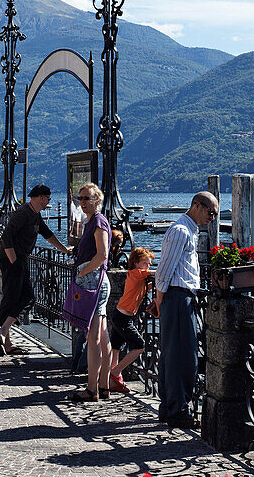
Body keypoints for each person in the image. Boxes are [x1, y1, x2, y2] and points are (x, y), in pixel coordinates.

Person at [154, 191, 219, 429]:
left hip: (179, 297)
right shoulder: (181, 231)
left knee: (174, 355)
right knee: (183, 356)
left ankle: (171, 407)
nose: (212, 218)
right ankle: (177, 409)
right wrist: (160, 300)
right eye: (211, 212)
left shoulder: (188, 230)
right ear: (197, 206)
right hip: (178, 297)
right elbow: (164, 270)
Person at [0, 184, 70, 356]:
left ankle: (4, 337)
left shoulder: (35, 215)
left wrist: (64, 250)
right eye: (48, 199)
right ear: (41, 197)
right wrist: (13, 260)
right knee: (22, 297)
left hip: (20, 260)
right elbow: (7, 236)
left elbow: (48, 234)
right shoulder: (23, 213)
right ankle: (3, 334)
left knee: (18, 297)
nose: (48, 202)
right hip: (12, 260)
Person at [67, 183, 113, 403]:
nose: (83, 202)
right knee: (102, 338)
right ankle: (103, 385)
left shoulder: (98, 221)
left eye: (87, 198)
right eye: (81, 198)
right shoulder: (91, 222)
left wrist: (83, 270)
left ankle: (92, 388)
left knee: (93, 337)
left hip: (94, 282)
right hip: (94, 281)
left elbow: (102, 254)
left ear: (97, 200)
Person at [108, 247, 155, 394]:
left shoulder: (136, 276)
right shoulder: (136, 273)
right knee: (140, 346)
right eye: (145, 263)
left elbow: (140, 289)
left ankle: (113, 382)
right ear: (135, 263)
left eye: (149, 263)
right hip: (123, 318)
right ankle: (116, 372)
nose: (148, 266)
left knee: (116, 348)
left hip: (119, 314)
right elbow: (157, 273)